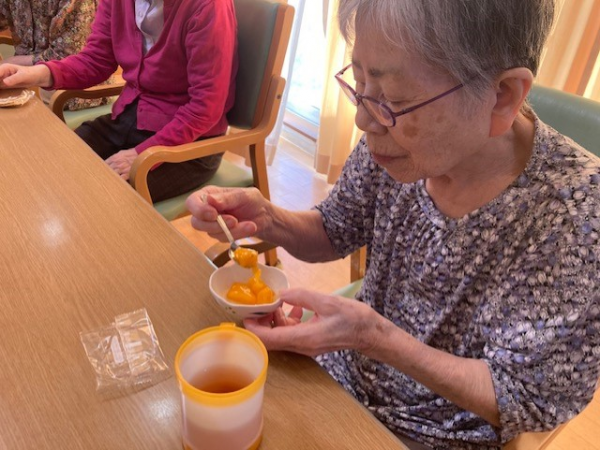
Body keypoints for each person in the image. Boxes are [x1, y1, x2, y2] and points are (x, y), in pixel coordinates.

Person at [184, 1, 600, 449]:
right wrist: (268, 218)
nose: (364, 120)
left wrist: (374, 337)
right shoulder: (395, 142)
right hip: (349, 373)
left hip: (445, 432)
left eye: (393, 99)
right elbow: (334, 229)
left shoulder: (574, 216)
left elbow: (524, 396)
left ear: (502, 96)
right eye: (361, 84)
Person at [0, 0, 237, 203]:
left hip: (189, 144)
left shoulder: (208, 6)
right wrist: (34, 74)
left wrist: (141, 154)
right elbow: (96, 60)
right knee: (51, 164)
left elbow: (205, 108)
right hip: (130, 117)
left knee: (99, 198)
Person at [0, 0, 111, 111]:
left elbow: (66, 57)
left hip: (71, 88)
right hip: (24, 78)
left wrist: (10, 63)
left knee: (13, 116)